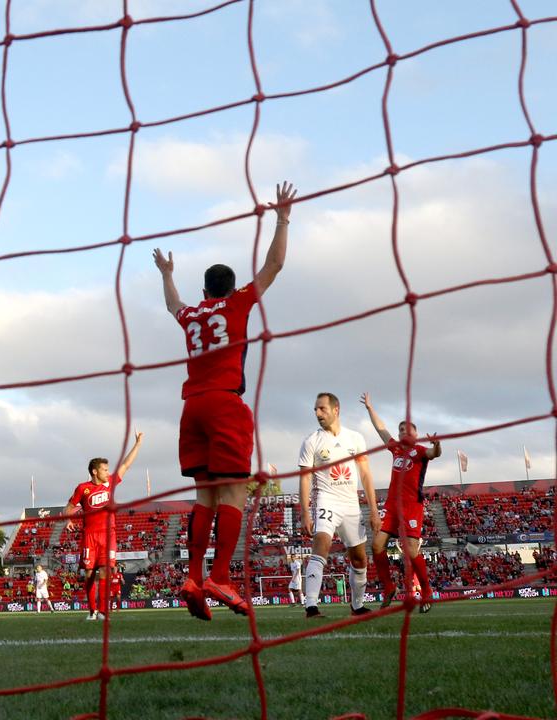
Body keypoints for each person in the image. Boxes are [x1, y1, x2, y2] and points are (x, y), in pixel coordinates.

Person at [153, 181, 297, 621]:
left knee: (205, 496)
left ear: (205, 289)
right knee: (234, 490)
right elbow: (274, 265)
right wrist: (283, 217)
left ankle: (193, 577)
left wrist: (166, 273)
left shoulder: (193, 313)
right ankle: (219, 576)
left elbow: (173, 304)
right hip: (223, 404)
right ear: (231, 288)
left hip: (190, 407)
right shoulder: (237, 306)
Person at [298, 392, 380, 618]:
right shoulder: (311, 441)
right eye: (315, 409)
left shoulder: (355, 438)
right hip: (326, 500)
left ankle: (357, 605)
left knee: (359, 558)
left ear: (336, 409)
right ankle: (311, 606)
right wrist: (305, 511)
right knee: (321, 544)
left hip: (351, 504)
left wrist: (373, 510)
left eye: (322, 409)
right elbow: (304, 479)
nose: (317, 413)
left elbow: (365, 475)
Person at [360, 392, 441, 613]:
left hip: (412, 506)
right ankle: (388, 587)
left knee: (411, 550)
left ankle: (426, 592)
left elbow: (435, 453)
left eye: (408, 429)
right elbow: (381, 429)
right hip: (391, 507)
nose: (404, 432)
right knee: (377, 545)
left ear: (416, 434)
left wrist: (437, 445)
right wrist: (369, 408)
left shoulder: (421, 451)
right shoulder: (395, 448)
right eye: (401, 430)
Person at [61, 431, 145, 621]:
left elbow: (126, 465)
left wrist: (138, 444)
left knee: (106, 570)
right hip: (89, 535)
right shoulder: (83, 488)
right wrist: (68, 519)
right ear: (94, 471)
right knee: (90, 573)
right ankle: (92, 611)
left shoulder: (110, 484)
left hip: (109, 535)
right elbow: (69, 506)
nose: (108, 472)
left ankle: (103, 611)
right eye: (105, 469)